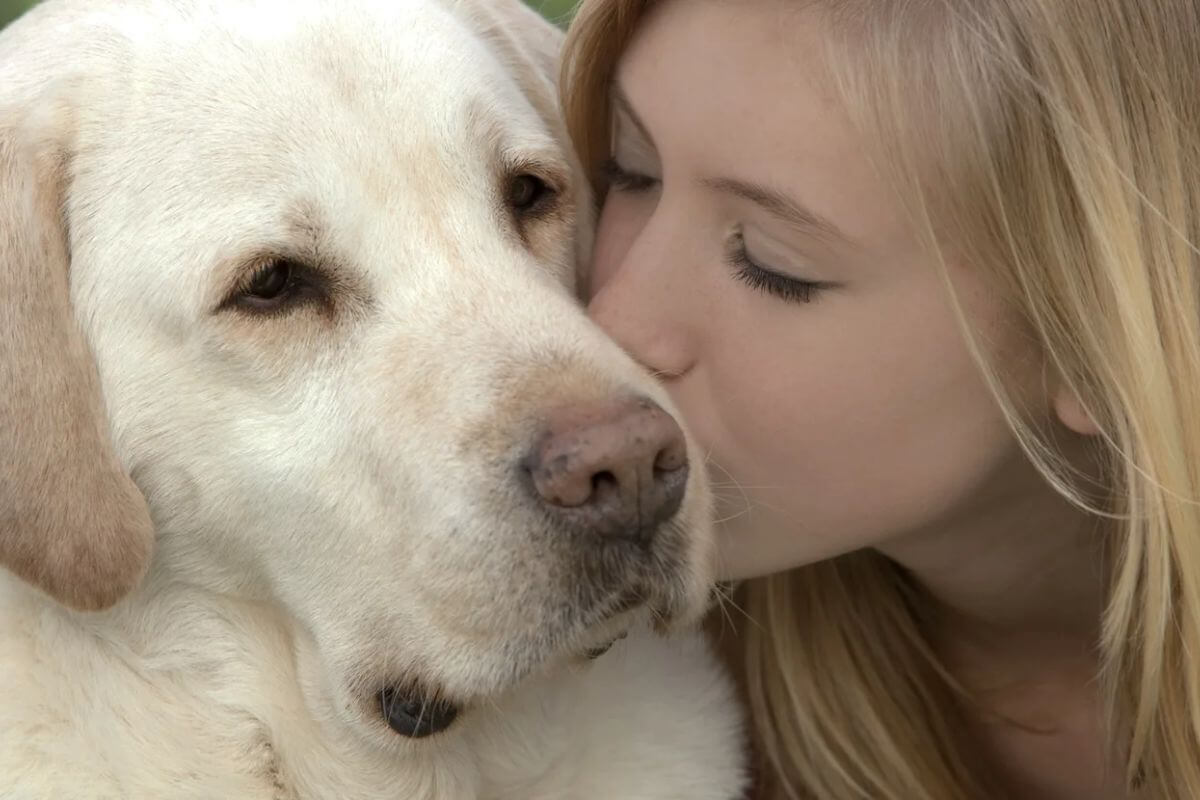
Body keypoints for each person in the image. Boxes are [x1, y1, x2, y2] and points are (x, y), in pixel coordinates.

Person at [558, 1, 1200, 798]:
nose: (612, 321)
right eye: (630, 173)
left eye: (771, 263)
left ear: (1103, 344)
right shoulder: (626, 684)